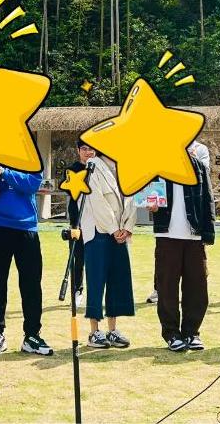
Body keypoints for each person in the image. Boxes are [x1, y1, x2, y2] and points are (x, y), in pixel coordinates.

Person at [0, 163, 52, 356]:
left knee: (31, 283)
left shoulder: (29, 157)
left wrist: (6, 173)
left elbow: (32, 184)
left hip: (26, 227)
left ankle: (32, 335)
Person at [152, 141, 215, 351]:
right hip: (166, 234)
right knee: (167, 286)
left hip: (194, 235)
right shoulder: (159, 165)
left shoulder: (198, 166)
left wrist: (208, 232)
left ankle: (192, 332)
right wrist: (150, 204)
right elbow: (146, 192)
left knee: (197, 286)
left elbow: (208, 199)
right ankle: (171, 334)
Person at [80, 154, 136, 348]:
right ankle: (94, 331)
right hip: (99, 231)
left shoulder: (125, 164)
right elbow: (96, 201)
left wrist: (127, 227)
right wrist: (113, 229)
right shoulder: (93, 164)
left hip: (120, 231)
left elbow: (131, 197)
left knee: (117, 280)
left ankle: (112, 330)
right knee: (96, 280)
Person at [66, 139, 96, 309]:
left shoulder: (99, 169)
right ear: (78, 150)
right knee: (77, 258)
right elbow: (71, 192)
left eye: (91, 149)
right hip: (77, 221)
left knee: (96, 258)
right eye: (84, 149)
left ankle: (95, 291)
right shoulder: (72, 170)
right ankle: (77, 290)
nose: (88, 152)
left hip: (97, 220)